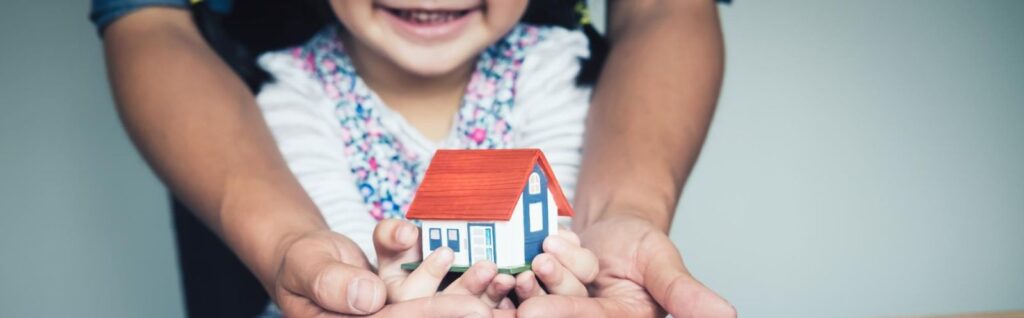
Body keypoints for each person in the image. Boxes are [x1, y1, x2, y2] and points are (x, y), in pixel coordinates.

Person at [95, 0, 736, 317]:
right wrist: (372, 293)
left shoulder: (551, 66)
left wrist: (575, 268)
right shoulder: (289, 87)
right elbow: (336, 250)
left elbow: (564, 241)